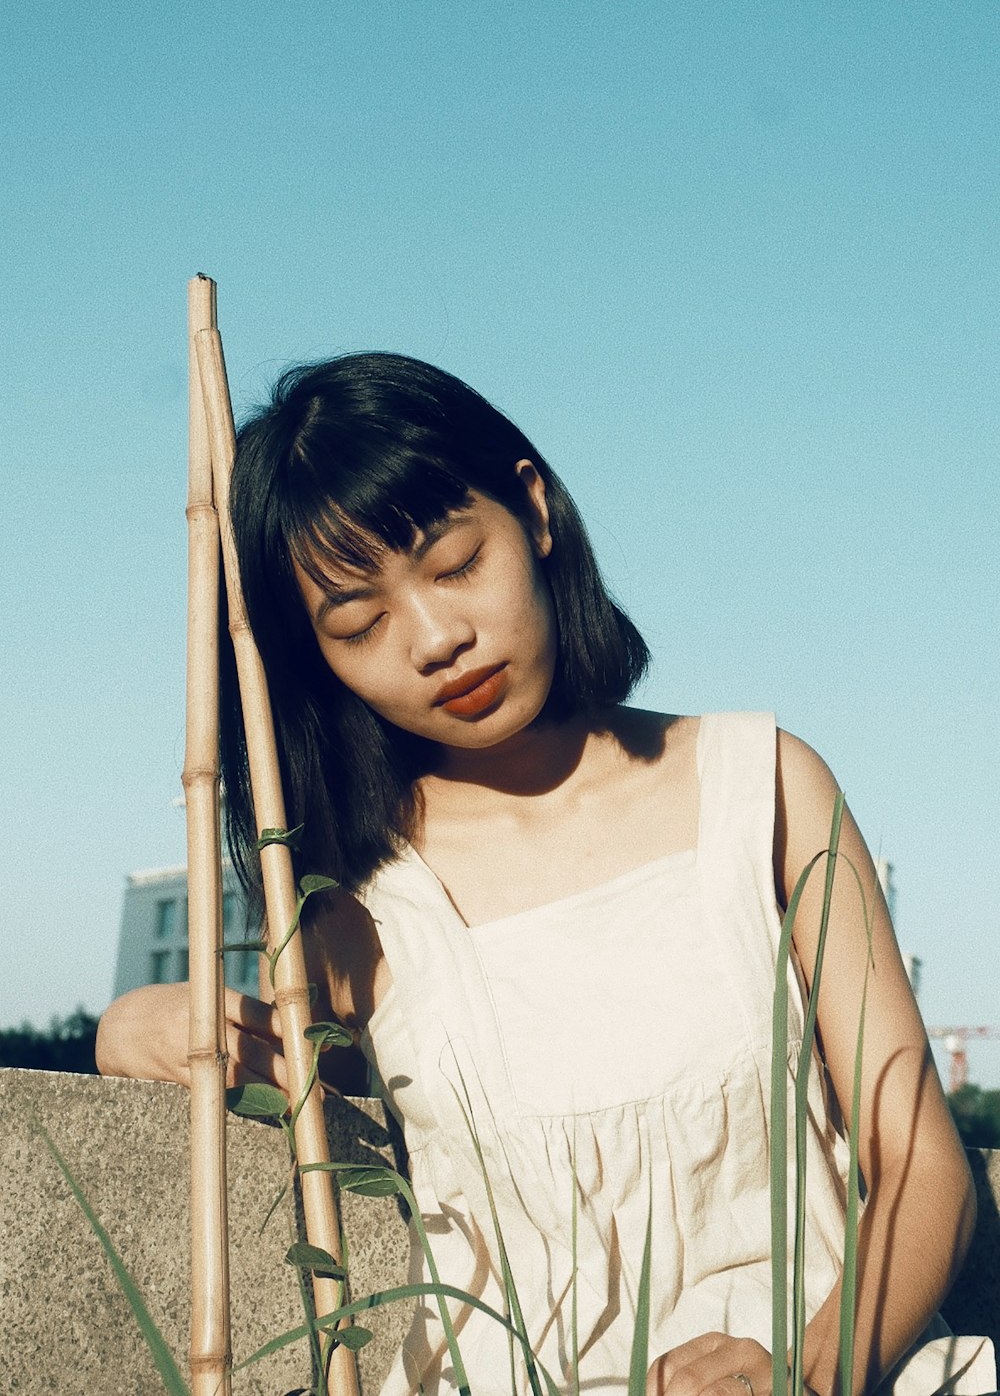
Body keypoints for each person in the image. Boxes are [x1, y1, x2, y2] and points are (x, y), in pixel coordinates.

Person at [97, 354, 993, 1396]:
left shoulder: (767, 787)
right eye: (359, 622)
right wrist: (138, 1029)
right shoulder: (354, 893)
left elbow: (921, 1160)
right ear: (316, 659)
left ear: (533, 509)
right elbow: (306, 1095)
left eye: (453, 563)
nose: (436, 638)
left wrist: (804, 1371)